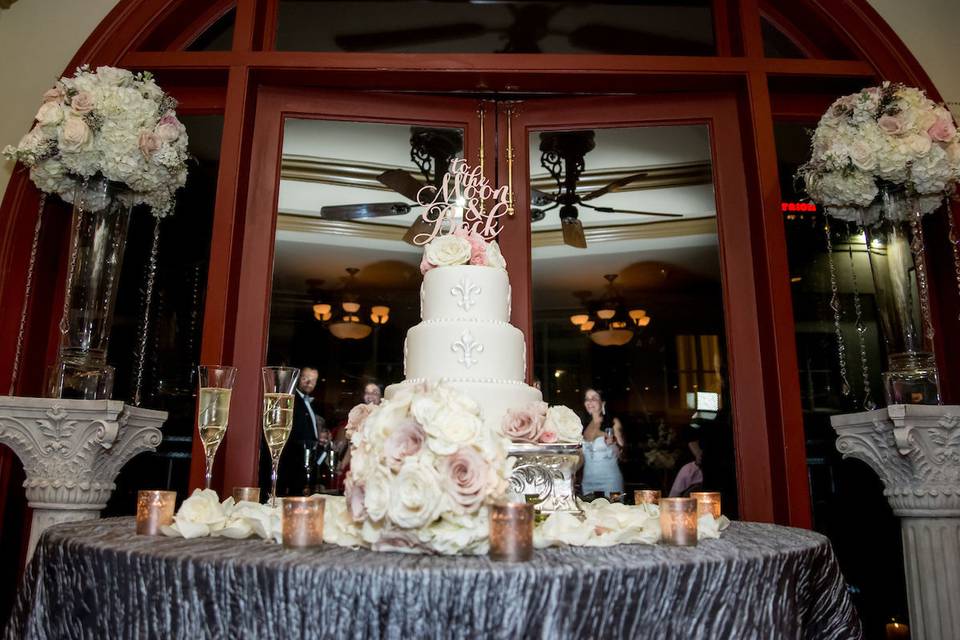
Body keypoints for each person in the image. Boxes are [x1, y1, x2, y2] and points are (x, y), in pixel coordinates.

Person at [277, 366, 324, 496]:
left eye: (313, 380)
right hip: (293, 459)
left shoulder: (310, 402)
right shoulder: (291, 399)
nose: (309, 383)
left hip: (307, 459)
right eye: (305, 378)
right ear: (298, 378)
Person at [580, 388, 625, 497]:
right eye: (587, 399)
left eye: (594, 398)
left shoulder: (613, 423)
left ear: (603, 403)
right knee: (590, 512)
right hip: (587, 482)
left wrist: (614, 443)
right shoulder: (583, 427)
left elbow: (623, 454)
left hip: (611, 482)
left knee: (614, 512)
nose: (589, 402)